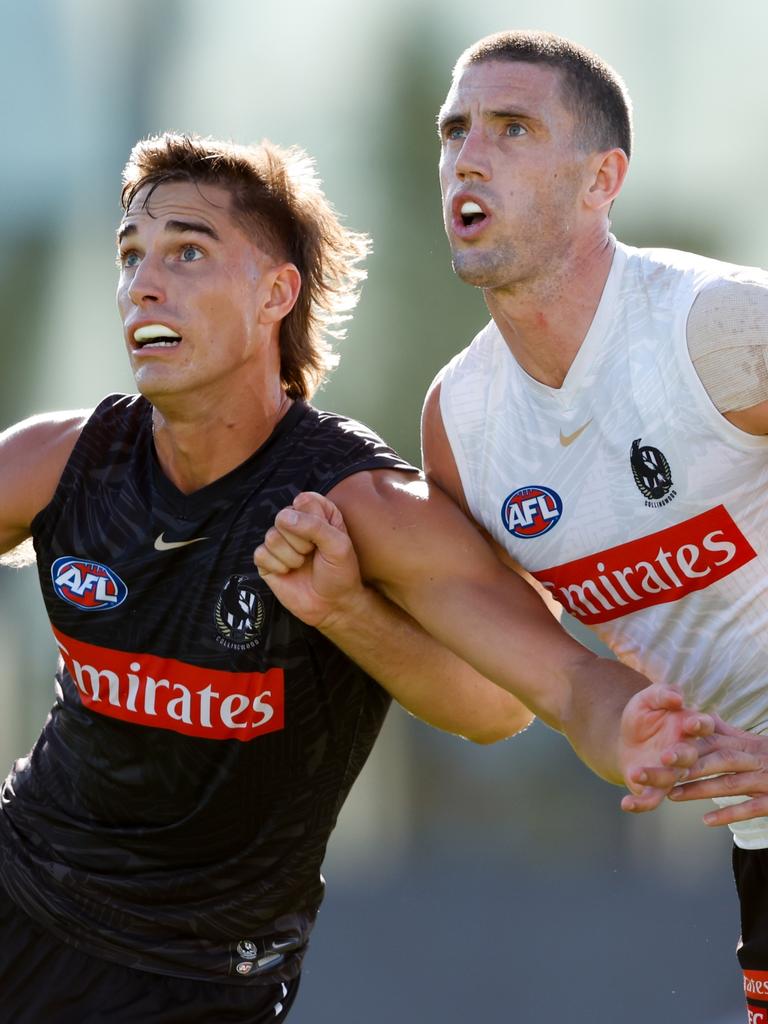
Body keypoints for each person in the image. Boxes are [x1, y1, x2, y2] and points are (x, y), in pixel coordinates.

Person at [0, 132, 711, 1023]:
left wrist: (345, 612)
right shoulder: (60, 460)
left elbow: (511, 702)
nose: (145, 280)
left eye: (187, 251)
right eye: (131, 254)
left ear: (274, 294)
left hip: (198, 975)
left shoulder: (362, 505)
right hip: (18, 890)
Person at [256, 28, 768, 1021]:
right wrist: (350, 610)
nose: (468, 156)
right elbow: (508, 701)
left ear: (600, 179)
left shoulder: (721, 332)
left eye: (513, 127)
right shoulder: (465, 427)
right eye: (454, 132)